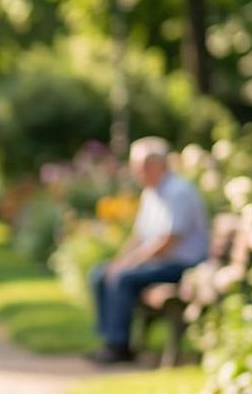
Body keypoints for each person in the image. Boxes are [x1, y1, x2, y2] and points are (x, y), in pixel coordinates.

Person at [88, 136, 209, 364]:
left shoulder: (178, 191)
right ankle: (108, 341)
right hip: (160, 263)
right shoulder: (151, 192)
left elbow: (167, 241)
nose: (135, 172)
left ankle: (119, 346)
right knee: (100, 274)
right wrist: (119, 261)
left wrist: (130, 264)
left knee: (123, 278)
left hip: (182, 265)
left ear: (156, 165)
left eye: (139, 167)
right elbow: (139, 237)